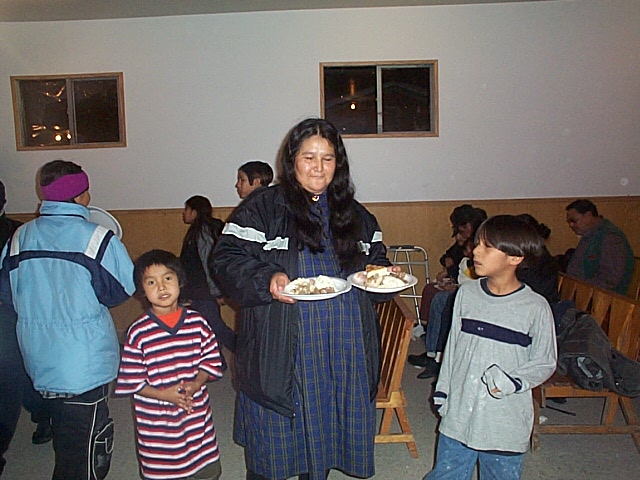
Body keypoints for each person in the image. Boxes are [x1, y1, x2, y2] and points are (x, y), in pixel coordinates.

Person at [212, 118, 399, 480]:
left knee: (327, 429)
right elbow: (225, 259)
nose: (318, 167)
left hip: (344, 346)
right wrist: (267, 278)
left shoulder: (356, 214)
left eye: (327, 158)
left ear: (338, 164)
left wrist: (382, 277)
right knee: (276, 443)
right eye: (308, 157)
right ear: (292, 160)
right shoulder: (263, 206)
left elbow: (375, 263)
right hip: (284, 342)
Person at [0, 160, 135, 480]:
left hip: (37, 355)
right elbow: (121, 290)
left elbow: (6, 293)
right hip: (82, 362)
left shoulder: (20, 236)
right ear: (80, 195)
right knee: (85, 448)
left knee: (64, 431)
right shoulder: (97, 237)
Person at [423, 215, 557, 480]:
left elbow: (545, 361)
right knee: (446, 474)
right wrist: (443, 389)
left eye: (487, 246)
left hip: (504, 421)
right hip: (460, 413)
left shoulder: (535, 307)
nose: (475, 251)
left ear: (515, 257)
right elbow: (453, 348)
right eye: (477, 244)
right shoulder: (466, 294)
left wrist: (513, 381)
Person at [115, 249, 224, 480]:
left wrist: (197, 383)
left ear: (180, 281)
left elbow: (211, 360)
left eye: (167, 278)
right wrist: (164, 395)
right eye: (151, 282)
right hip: (157, 419)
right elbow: (132, 380)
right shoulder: (138, 333)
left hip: (195, 414)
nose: (161, 287)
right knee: (164, 466)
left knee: (206, 468)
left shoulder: (197, 323)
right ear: (141, 290)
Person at [409, 205, 486, 369]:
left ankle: (435, 351)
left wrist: (452, 276)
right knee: (431, 289)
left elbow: (474, 272)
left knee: (441, 299)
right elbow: (449, 257)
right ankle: (430, 338)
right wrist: (448, 267)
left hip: (472, 287)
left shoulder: (481, 241)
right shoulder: (463, 241)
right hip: (461, 281)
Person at [180, 195, 236, 358]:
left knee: (215, 327)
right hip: (201, 291)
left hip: (204, 292)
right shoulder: (204, 229)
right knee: (207, 329)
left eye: (186, 209)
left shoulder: (203, 232)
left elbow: (208, 263)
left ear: (194, 212)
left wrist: (217, 292)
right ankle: (218, 362)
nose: (184, 213)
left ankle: (244, 352)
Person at [565, 199, 634, 295]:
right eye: (569, 222)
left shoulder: (611, 238)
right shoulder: (589, 234)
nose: (571, 225)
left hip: (604, 298)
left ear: (588, 216)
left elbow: (609, 279)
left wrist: (581, 289)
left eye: (574, 221)